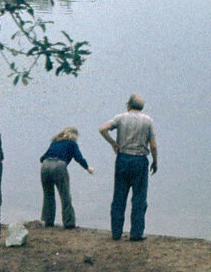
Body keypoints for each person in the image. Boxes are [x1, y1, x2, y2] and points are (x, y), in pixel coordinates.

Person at [99, 94, 158, 241]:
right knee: (139, 198)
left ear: (128, 105)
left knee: (119, 197)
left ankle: (116, 233)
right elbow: (153, 145)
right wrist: (155, 161)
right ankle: (136, 233)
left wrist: (113, 143)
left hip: (123, 158)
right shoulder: (148, 121)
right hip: (140, 160)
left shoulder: (120, 118)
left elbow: (102, 129)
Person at [40, 126, 94, 228]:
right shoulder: (72, 144)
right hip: (59, 166)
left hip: (45, 165)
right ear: (74, 135)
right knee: (65, 195)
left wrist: (48, 163)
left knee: (48, 194)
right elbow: (79, 158)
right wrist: (87, 168)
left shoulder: (55, 142)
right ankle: (69, 223)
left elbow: (42, 158)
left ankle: (48, 221)